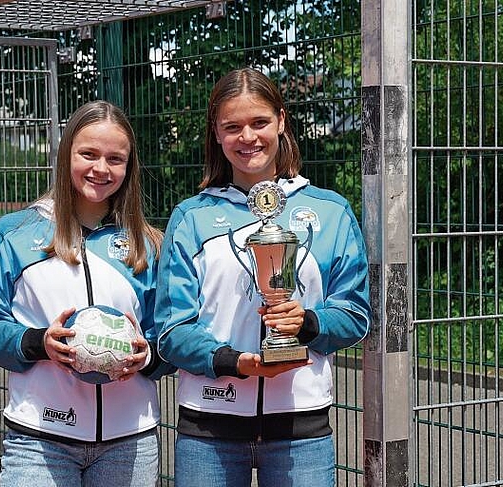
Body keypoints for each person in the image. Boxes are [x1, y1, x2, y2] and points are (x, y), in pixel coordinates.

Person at [154, 67, 371, 487]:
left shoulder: (329, 212)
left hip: (300, 430)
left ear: (281, 121)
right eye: (232, 127)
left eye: (259, 123)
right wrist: (232, 362)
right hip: (209, 427)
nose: (247, 137)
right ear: (216, 134)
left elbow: (355, 313)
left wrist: (307, 323)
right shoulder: (191, 217)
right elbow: (171, 328)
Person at [0, 100, 170, 487]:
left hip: (130, 440)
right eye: (88, 154)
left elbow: (171, 337)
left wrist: (148, 357)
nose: (101, 168)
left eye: (115, 158)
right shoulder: (14, 235)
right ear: (66, 156)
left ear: (129, 168)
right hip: (39, 440)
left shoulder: (147, 245)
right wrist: (37, 342)